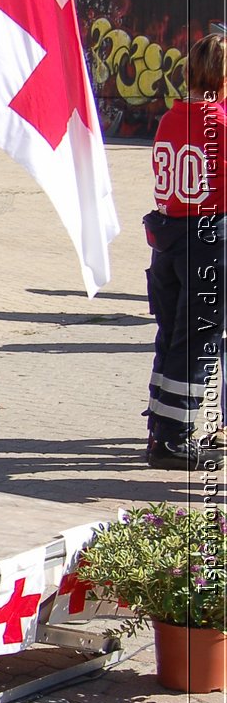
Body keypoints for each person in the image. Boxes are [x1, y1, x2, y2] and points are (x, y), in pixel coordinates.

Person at [143, 33, 226, 468]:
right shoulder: (220, 122)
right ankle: (175, 437)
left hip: (169, 235)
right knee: (198, 341)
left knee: (171, 333)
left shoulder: (170, 118)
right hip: (209, 239)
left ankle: (160, 421)